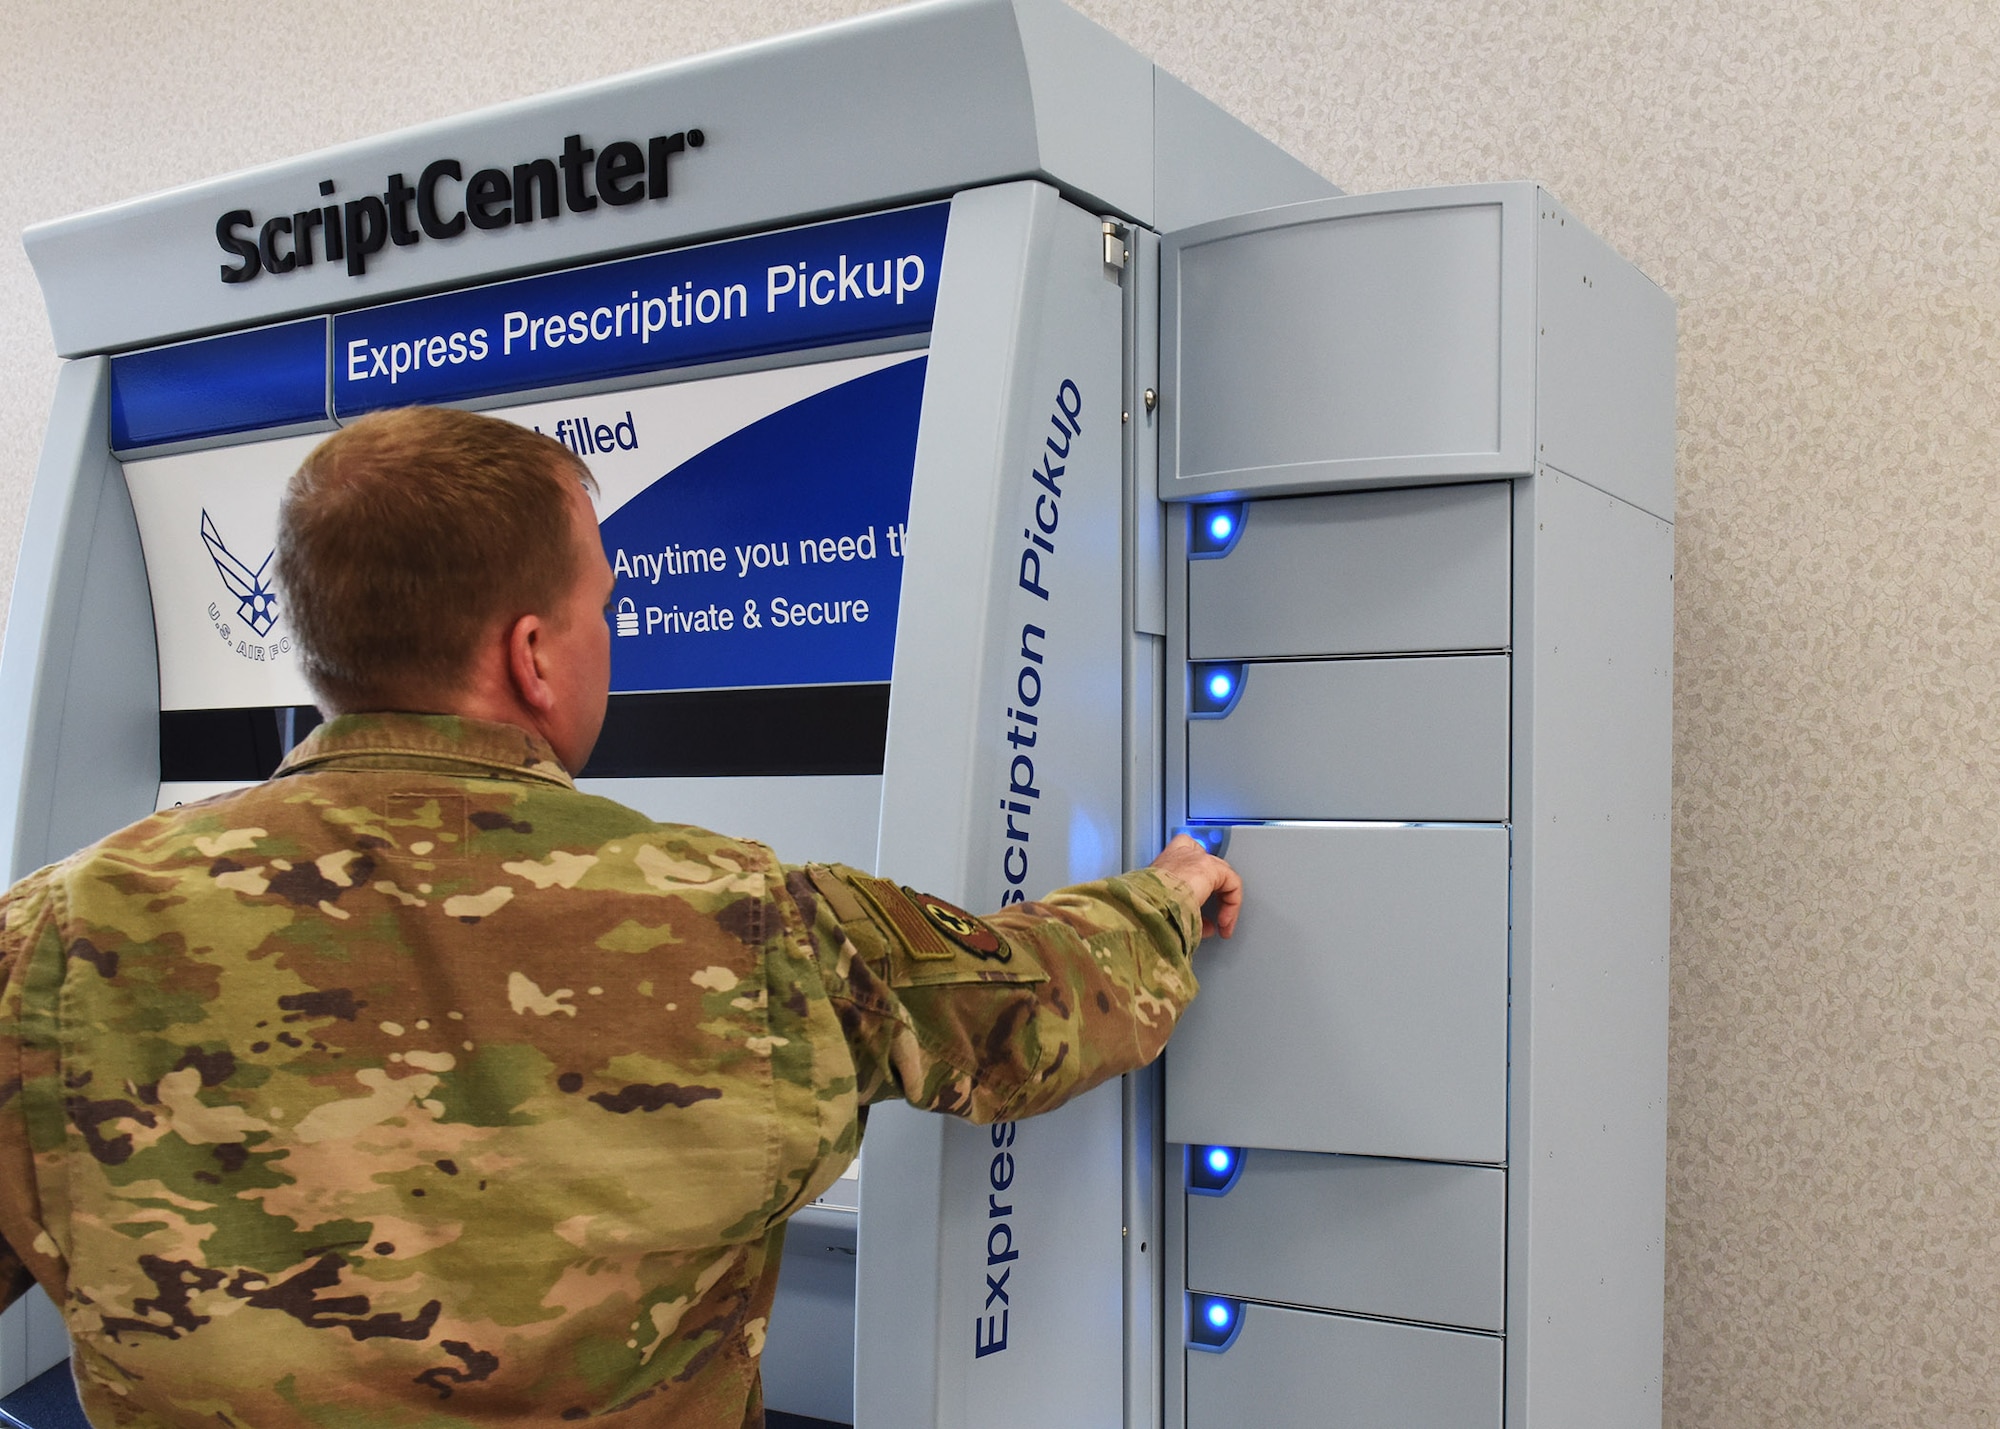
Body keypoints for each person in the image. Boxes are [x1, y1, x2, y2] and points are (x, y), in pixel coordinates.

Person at [0, 406, 1241, 1427]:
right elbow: (1028, 1007)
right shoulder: (745, 925)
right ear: (533, 653)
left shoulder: (46, 943)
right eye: (603, 604)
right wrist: (1167, 897)